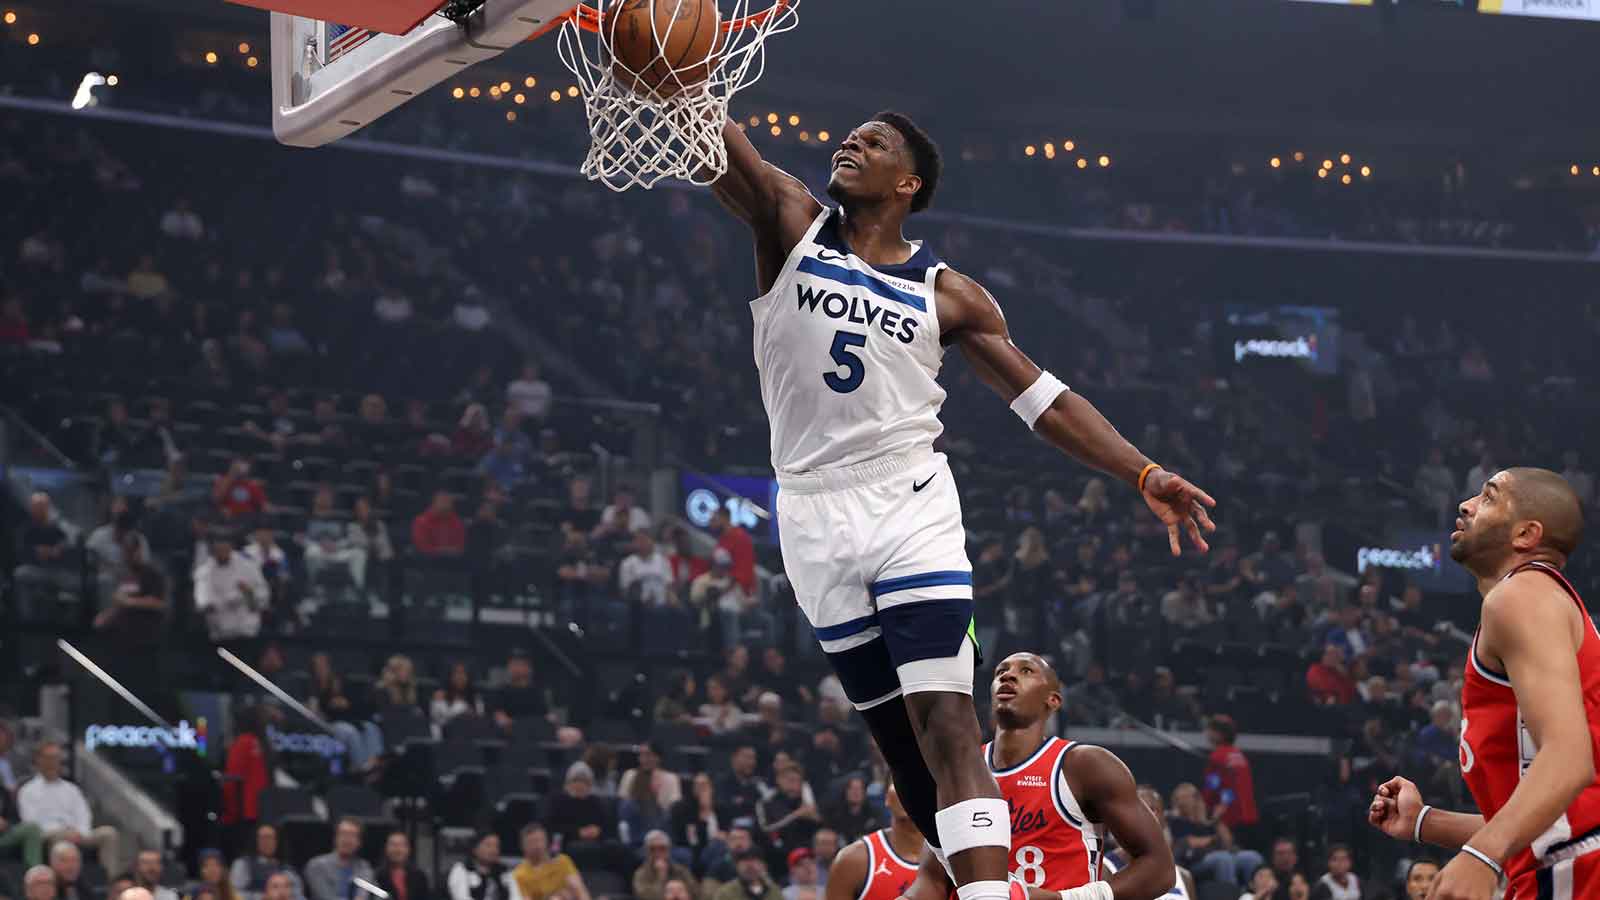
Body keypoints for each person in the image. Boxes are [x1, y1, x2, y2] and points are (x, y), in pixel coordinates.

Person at [705, 109, 1217, 900]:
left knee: (949, 726)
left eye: (874, 142)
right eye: (851, 135)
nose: (851, 143)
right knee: (910, 763)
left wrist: (1142, 472)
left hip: (911, 503)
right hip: (811, 512)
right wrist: (674, 77)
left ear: (908, 184)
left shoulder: (951, 294)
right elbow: (716, 146)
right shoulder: (792, 222)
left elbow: (1043, 399)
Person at [1368, 469, 1597, 900]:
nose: (1466, 504)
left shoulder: (1521, 596)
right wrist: (1425, 822)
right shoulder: (1543, 603)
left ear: (1527, 534)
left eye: (1489, 498)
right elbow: (1558, 819)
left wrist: (1482, 854)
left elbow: (1570, 759)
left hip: (1575, 871)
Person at [902, 652, 1176, 900]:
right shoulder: (959, 768)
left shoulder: (1084, 765)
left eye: (1026, 671)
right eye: (1001, 672)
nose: (1008, 675)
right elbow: (932, 881)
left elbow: (1159, 870)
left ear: (1053, 700)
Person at [17, 742, 122, 875]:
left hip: (76, 833)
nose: (53, 762)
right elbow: (30, 823)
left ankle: (110, 881)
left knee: (109, 833)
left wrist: (80, 832)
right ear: (38, 760)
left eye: (56, 758)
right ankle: (59, 883)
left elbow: (84, 815)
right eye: (48, 758)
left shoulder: (71, 789)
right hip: (47, 834)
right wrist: (64, 832)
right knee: (57, 837)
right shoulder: (27, 790)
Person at [823, 785, 924, 900]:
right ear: (886, 797)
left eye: (919, 779)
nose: (908, 787)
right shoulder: (852, 860)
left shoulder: (945, 856)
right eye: (899, 779)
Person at [193, 535, 269, 642]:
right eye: (218, 549)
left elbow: (263, 597)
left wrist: (248, 593)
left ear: (231, 547)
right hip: (221, 634)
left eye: (225, 548)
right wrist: (232, 597)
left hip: (248, 631)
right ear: (212, 551)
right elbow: (203, 603)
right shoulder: (204, 572)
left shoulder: (248, 566)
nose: (222, 552)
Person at [1200, 716, 1258, 851]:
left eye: (1210, 730)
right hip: (1249, 815)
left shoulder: (1217, 756)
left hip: (1229, 817)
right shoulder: (1239, 755)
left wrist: (1207, 810)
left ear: (1217, 734)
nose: (1207, 733)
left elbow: (1211, 788)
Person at [302, 819, 374, 900]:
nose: (347, 840)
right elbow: (325, 897)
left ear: (359, 842)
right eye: (343, 834)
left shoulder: (364, 867)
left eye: (352, 835)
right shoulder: (316, 865)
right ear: (335, 838)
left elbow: (364, 895)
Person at [511, 825, 590, 900]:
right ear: (523, 846)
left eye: (540, 840)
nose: (538, 846)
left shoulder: (562, 861)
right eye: (532, 842)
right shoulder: (519, 875)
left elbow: (580, 891)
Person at [231, 824, 304, 900]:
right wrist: (263, 897)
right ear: (255, 840)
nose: (266, 842)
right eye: (262, 838)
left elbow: (299, 895)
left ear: (277, 840)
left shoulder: (288, 870)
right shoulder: (243, 865)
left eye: (270, 837)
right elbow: (233, 893)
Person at [446, 833, 517, 900]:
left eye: (497, 846)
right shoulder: (461, 869)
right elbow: (461, 897)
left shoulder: (505, 871)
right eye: (488, 845)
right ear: (475, 849)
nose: (493, 850)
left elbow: (516, 896)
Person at [632, 831, 697, 900]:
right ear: (647, 851)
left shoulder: (680, 870)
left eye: (662, 848)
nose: (657, 853)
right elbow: (643, 895)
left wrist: (682, 892)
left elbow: (695, 891)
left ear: (668, 850)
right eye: (652, 849)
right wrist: (661, 878)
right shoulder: (641, 874)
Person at [0, 767, 44, 867]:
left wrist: (5, 824)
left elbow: (13, 818)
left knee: (32, 829)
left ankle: (36, 876)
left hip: (3, 836)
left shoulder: (3, 791)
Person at [374, 831, 431, 900]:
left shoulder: (419, 876)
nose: (397, 849)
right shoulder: (377, 876)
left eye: (401, 845)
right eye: (393, 844)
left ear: (409, 849)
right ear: (386, 848)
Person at [712, 848, 780, 900]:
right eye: (745, 860)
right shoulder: (725, 893)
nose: (750, 865)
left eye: (754, 860)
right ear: (737, 866)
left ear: (762, 865)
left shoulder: (773, 891)